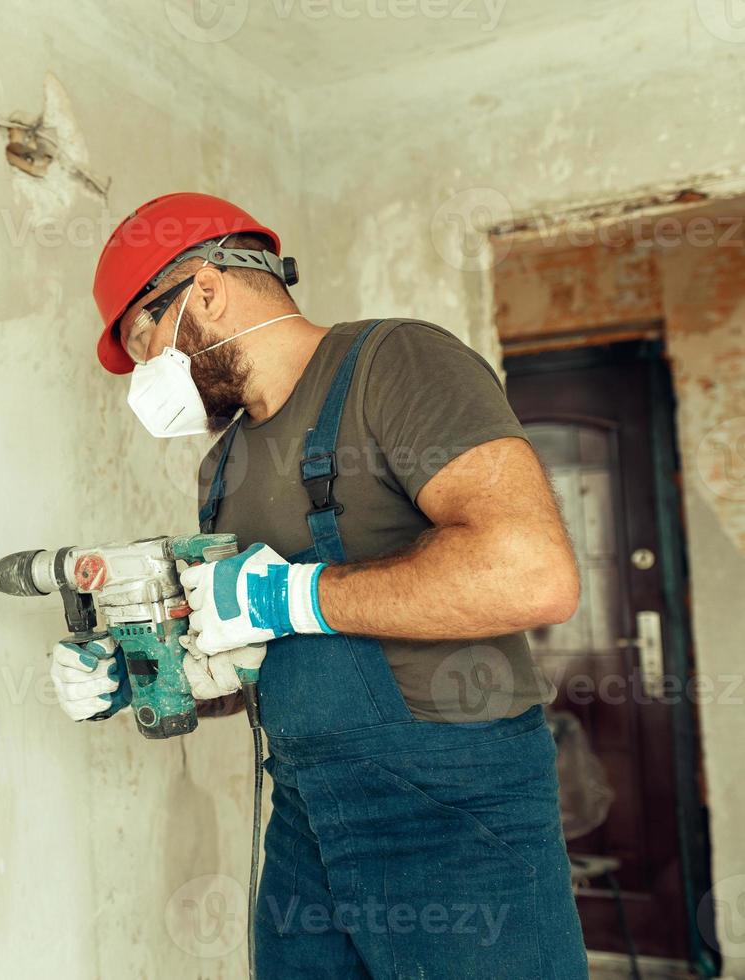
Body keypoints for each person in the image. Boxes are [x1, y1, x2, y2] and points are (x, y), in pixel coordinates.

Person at [49, 192, 588, 979]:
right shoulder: (222, 466)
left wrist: (294, 596)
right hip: (304, 813)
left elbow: (533, 572)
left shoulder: (396, 363)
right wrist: (151, 677)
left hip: (452, 810)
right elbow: (251, 658)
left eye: (145, 341)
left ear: (205, 288)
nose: (145, 379)